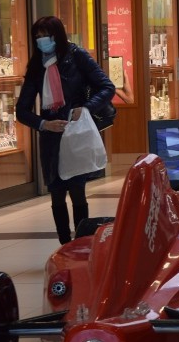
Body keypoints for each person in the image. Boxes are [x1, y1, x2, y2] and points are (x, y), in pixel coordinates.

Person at [16, 16, 115, 244]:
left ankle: (82, 243)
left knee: (77, 190)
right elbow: (22, 110)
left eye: (45, 36)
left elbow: (107, 87)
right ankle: (64, 245)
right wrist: (44, 124)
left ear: (57, 35)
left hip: (76, 132)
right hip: (51, 138)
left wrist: (86, 109)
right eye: (38, 37)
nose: (42, 41)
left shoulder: (76, 55)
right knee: (57, 193)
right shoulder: (36, 66)